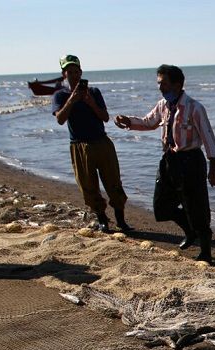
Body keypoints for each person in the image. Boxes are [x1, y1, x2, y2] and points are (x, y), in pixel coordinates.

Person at [114, 64, 215, 262]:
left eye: (163, 84)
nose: (160, 88)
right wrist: (128, 121)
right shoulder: (163, 105)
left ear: (177, 84)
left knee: (196, 207)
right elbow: (149, 122)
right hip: (169, 160)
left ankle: (206, 252)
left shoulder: (194, 108)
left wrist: (213, 170)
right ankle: (190, 231)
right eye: (159, 84)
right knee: (161, 207)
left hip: (191, 161)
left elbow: (208, 138)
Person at [52, 54, 132, 233]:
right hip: (79, 145)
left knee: (113, 182)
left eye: (76, 71)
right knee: (88, 186)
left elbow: (104, 117)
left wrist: (90, 102)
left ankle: (121, 221)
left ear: (81, 72)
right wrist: (72, 100)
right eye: (69, 72)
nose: (73, 75)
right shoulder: (60, 95)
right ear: (64, 74)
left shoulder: (94, 92)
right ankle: (102, 220)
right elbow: (60, 119)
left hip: (101, 142)